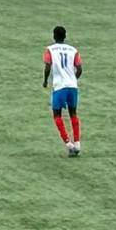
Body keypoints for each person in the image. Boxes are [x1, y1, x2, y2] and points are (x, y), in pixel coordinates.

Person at [43, 25, 83, 157]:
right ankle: (77, 143)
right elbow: (79, 68)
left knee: (57, 115)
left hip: (59, 86)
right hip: (72, 85)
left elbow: (48, 66)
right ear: (65, 36)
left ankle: (68, 144)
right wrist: (73, 79)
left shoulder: (50, 50)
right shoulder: (73, 50)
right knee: (73, 113)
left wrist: (45, 80)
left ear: (54, 36)